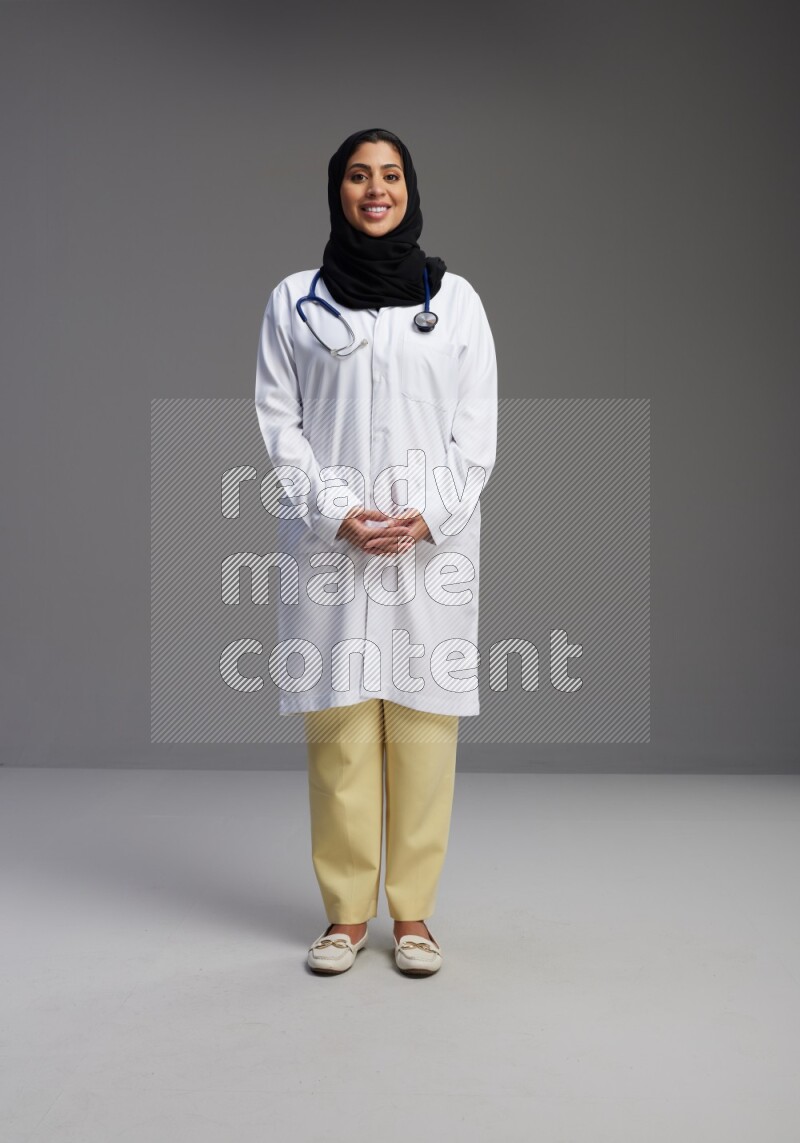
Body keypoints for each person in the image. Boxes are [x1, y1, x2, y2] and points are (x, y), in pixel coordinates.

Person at [254, 128, 497, 976]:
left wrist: (429, 516)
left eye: (389, 175)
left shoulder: (455, 301)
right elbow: (280, 428)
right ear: (338, 191)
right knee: (342, 733)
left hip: (431, 551)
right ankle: (346, 917)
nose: (375, 189)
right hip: (334, 549)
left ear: (409, 188)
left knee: (425, 733)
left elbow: (478, 435)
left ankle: (416, 916)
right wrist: (336, 512)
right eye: (359, 176)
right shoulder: (296, 301)